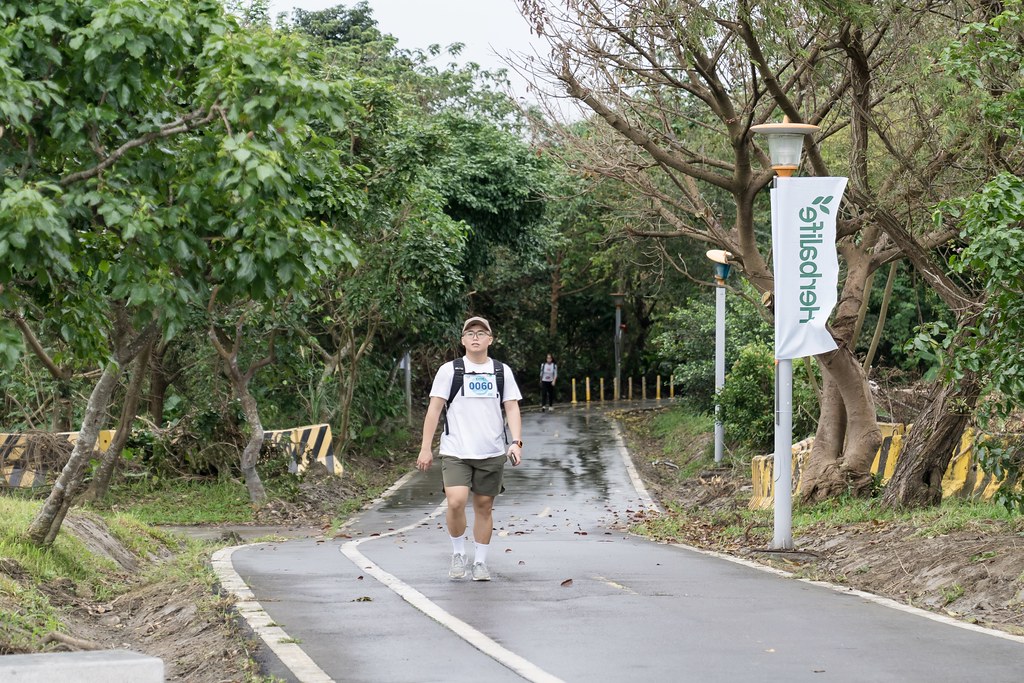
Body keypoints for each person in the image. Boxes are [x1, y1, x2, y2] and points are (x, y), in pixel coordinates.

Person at [417, 316, 523, 581]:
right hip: (456, 451)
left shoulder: (501, 371)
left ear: (490, 339)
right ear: (463, 340)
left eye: (481, 332)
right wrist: (425, 448)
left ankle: (480, 562)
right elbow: (434, 409)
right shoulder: (449, 371)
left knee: (484, 506)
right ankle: (458, 554)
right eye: (470, 333)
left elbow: (511, 406)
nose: (475, 337)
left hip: (491, 451)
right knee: (455, 502)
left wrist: (516, 442)